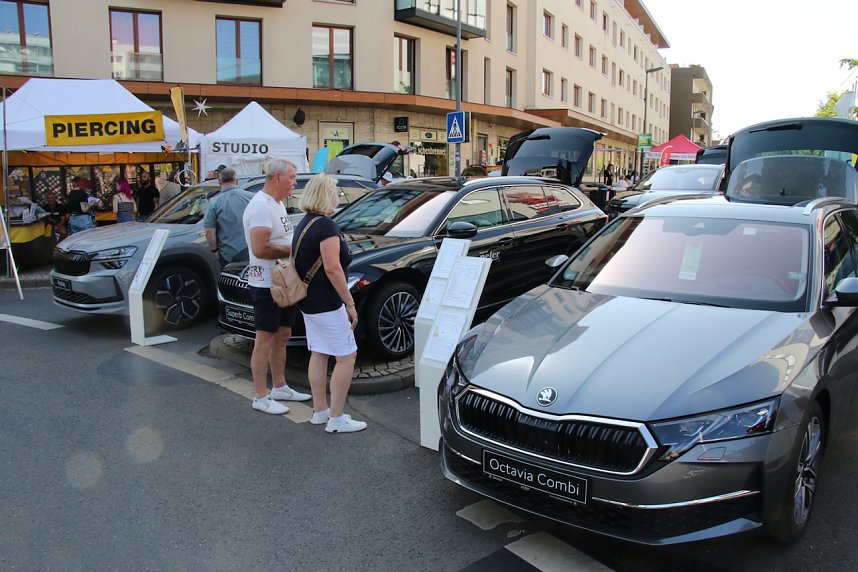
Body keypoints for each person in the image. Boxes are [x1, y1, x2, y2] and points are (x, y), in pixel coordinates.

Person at [294, 173, 366, 434]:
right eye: (335, 191)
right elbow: (333, 268)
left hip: (309, 302)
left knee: (319, 352)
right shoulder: (326, 226)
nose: (338, 196)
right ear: (327, 195)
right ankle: (336, 418)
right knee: (347, 357)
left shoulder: (305, 223)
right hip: (327, 302)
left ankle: (320, 411)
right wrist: (349, 302)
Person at [242, 158, 311, 414]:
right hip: (266, 283)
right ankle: (260, 395)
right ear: (276, 177)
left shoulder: (277, 203)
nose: (295, 182)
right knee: (264, 339)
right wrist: (294, 249)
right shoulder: (260, 206)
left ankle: (280, 386)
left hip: (282, 281)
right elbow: (261, 248)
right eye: (291, 177)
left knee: (283, 335)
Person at [203, 167, 252, 267]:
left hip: (229, 255)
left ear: (219, 181)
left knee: (229, 281)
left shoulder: (214, 203)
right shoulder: (252, 197)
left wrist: (214, 251)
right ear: (236, 181)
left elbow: (209, 231)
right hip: (253, 252)